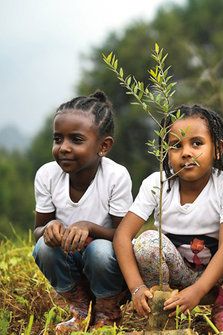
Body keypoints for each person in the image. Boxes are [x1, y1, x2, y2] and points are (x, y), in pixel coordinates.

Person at [113, 105, 223, 333]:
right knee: (146, 242)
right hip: (173, 279)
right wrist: (136, 288)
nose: (186, 152)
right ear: (165, 152)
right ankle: (162, 312)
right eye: (176, 145)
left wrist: (199, 289)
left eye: (197, 143)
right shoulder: (157, 183)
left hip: (216, 282)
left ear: (217, 148)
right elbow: (122, 236)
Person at [32, 91, 132, 333]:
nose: (63, 148)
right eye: (58, 139)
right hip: (71, 264)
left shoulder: (115, 177)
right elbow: (37, 230)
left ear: (104, 146)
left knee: (99, 250)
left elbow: (125, 236)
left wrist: (90, 227)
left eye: (76, 140)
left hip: (108, 266)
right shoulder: (47, 175)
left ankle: (107, 311)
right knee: (44, 248)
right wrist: (49, 229)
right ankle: (80, 310)